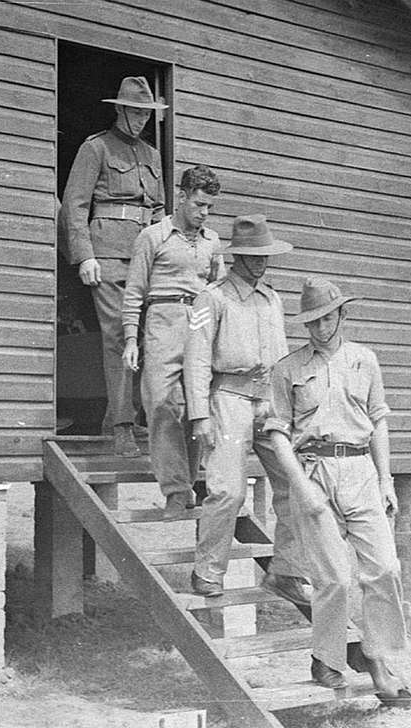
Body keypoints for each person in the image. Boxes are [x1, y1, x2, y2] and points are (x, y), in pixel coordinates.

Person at [263, 277, 411, 702]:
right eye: (311, 322)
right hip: (314, 472)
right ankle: (326, 658)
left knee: (384, 568)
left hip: (361, 470)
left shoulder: (366, 360)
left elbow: (379, 420)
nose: (320, 329)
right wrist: (300, 488)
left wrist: (385, 479)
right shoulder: (287, 369)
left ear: (342, 315)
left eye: (326, 319)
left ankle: (378, 658)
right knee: (333, 578)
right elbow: (277, 434)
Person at [183, 214, 310, 605]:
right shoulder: (211, 298)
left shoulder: (272, 299)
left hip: (269, 402)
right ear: (236, 256)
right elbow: (196, 358)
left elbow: (284, 360)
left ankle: (286, 572)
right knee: (228, 491)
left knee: (296, 486)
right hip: (228, 400)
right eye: (252, 255)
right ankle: (207, 572)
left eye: (264, 255)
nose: (259, 262)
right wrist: (199, 414)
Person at [60, 76, 167, 457]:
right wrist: (84, 254)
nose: (140, 119)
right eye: (135, 111)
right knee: (120, 338)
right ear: (119, 109)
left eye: (146, 113)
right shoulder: (97, 148)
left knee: (148, 338)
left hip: (146, 258)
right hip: (106, 255)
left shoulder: (153, 156)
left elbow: (158, 212)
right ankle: (122, 425)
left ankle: (126, 419)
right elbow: (74, 204)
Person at [122, 165, 224, 519]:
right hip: (162, 321)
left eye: (210, 207)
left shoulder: (212, 242)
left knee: (198, 407)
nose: (204, 213)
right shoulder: (152, 237)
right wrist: (130, 340)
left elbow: (220, 289)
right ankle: (176, 490)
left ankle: (187, 485)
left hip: (200, 322)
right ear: (181, 197)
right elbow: (134, 292)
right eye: (199, 204)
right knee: (161, 404)